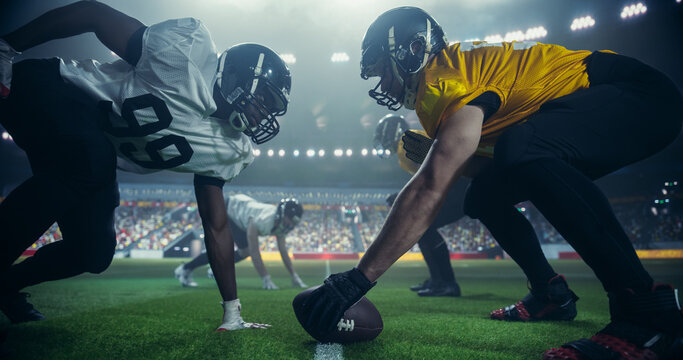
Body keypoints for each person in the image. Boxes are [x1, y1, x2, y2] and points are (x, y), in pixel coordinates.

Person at [298, 6, 683, 359]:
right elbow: (477, 172)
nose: (381, 79)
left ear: (414, 49)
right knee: (484, 194)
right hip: (602, 104)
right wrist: (438, 153)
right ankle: (551, 294)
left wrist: (356, 281)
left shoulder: (442, 80)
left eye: (383, 66)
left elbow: (431, 187)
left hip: (637, 94)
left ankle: (646, 314)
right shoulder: (446, 84)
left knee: (521, 149)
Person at [0, 1, 292, 332]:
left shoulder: (229, 148)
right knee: (91, 161)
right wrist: (7, 46)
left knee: (93, 252)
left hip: (87, 151)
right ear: (240, 77)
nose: (262, 114)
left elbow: (216, 225)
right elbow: (94, 14)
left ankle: (7, 284)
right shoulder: (187, 53)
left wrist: (232, 311)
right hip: (52, 88)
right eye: (265, 100)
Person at [375, 114, 464, 297]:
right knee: (422, 229)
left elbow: (439, 167)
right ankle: (438, 280)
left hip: (459, 188)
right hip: (454, 188)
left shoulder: (411, 141)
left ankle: (447, 282)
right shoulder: (405, 148)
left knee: (427, 227)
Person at [175, 195, 307, 290]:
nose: (291, 225)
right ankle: (185, 269)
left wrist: (294, 276)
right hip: (227, 209)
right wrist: (265, 278)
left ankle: (213, 268)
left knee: (244, 251)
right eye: (290, 220)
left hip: (240, 215)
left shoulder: (280, 223)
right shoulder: (263, 221)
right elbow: (255, 253)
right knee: (222, 250)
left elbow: (283, 252)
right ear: (283, 215)